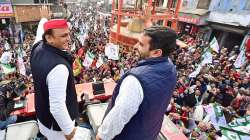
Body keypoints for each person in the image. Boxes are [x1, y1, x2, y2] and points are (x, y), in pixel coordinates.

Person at [96, 26, 177, 140]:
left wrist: (101, 136)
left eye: (141, 44)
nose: (135, 46)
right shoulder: (171, 68)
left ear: (157, 52)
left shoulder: (135, 80)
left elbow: (119, 115)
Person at [30, 19, 79, 140]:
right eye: (63, 35)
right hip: (58, 129)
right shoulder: (59, 67)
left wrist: (44, 18)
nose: (69, 39)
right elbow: (57, 107)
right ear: (49, 38)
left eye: (68, 34)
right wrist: (69, 131)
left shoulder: (37, 47)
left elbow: (41, 27)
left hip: (43, 119)